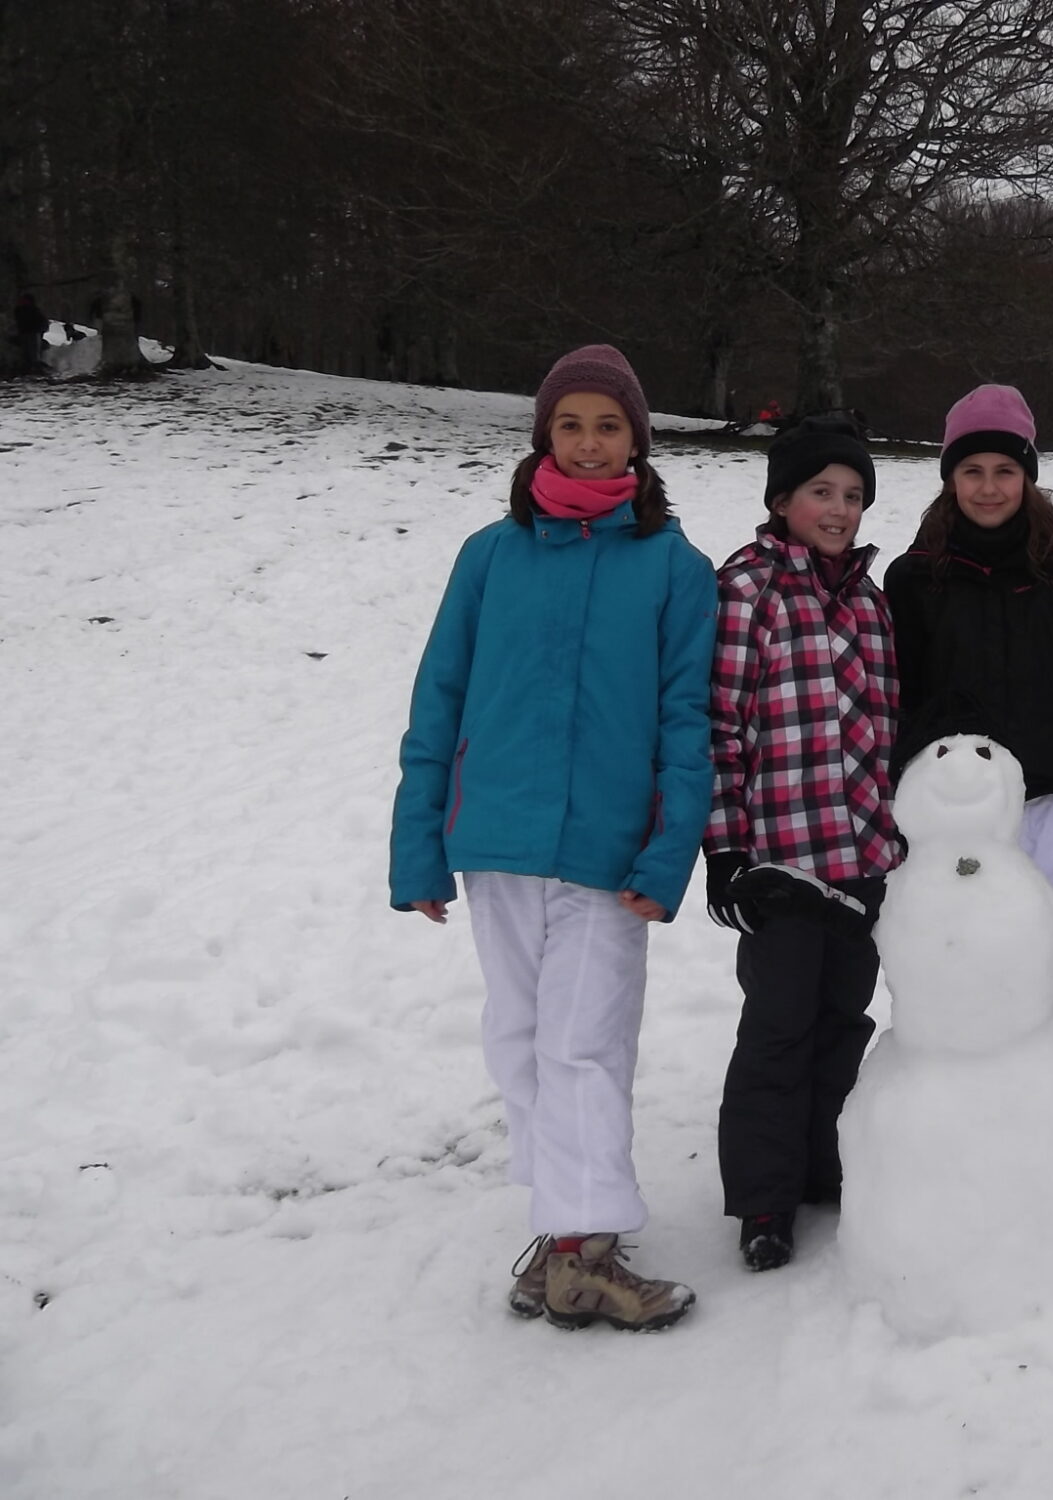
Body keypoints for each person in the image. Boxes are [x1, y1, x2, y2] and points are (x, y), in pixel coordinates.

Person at [389, 344, 716, 1331]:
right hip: (495, 839)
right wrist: (417, 844)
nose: (587, 443)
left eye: (607, 426)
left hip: (607, 853)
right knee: (521, 1041)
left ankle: (583, 1247)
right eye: (569, 425)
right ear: (543, 437)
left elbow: (686, 724)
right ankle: (564, 1236)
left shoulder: (674, 568)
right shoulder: (489, 557)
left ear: (637, 442)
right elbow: (440, 697)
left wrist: (669, 853)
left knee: (585, 1044)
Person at [704, 412, 900, 1273]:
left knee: (843, 1018)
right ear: (782, 499)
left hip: (862, 856)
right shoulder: (747, 591)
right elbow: (719, 727)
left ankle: (826, 1164)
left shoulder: (869, 601)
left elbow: (886, 725)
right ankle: (763, 1196)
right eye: (822, 491)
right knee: (778, 1024)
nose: (840, 509)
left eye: (854, 495)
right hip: (781, 859)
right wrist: (726, 850)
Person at [884, 384, 1053, 1034]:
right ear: (950, 479)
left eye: (1005, 470)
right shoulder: (914, 579)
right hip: (952, 806)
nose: (989, 487)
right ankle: (951, 1080)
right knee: (952, 961)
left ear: (1028, 477)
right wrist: (895, 796)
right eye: (972, 470)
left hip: (1048, 799)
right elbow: (900, 697)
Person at [12, 291, 48, 377]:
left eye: (25, 300)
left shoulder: (35, 311)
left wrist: (39, 331)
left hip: (33, 334)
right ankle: (26, 371)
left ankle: (37, 371)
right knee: (25, 354)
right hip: (24, 334)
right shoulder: (19, 310)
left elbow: (43, 323)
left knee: (34, 354)